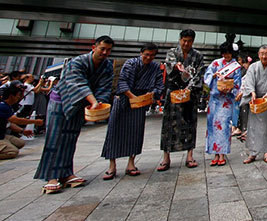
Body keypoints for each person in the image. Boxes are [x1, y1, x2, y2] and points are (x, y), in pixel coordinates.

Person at [34, 36, 114, 194]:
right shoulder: (77, 62)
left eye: (108, 50)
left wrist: (99, 103)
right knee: (55, 138)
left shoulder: (107, 67)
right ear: (94, 47)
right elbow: (77, 83)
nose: (105, 53)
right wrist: (93, 100)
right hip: (61, 102)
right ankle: (51, 176)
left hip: (81, 104)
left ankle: (65, 173)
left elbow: (105, 87)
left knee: (71, 138)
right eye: (102, 49)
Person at [101, 43, 164, 179]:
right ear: (141, 53)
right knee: (115, 131)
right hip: (124, 99)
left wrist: (151, 94)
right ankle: (112, 165)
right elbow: (122, 81)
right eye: (146, 54)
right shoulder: (131, 63)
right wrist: (132, 97)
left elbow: (159, 84)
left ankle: (131, 163)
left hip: (140, 101)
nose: (149, 58)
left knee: (135, 132)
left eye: (152, 55)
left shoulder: (155, 66)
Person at [158, 29, 205, 171]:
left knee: (190, 123)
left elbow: (199, 74)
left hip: (189, 94)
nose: (186, 43)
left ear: (193, 41)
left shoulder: (198, 56)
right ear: (180, 40)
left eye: (189, 41)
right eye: (184, 40)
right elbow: (170, 65)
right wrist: (176, 66)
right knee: (168, 124)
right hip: (173, 92)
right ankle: (166, 157)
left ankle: (190, 155)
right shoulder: (172, 52)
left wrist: (189, 89)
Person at [204, 41, 242, 166]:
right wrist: (214, 76)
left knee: (224, 125)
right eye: (224, 53)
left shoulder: (235, 66)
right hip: (215, 99)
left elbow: (237, 83)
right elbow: (207, 76)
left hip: (226, 99)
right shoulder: (215, 63)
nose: (226, 56)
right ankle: (214, 153)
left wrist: (231, 88)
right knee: (212, 126)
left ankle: (222, 154)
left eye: (229, 53)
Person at [241, 45, 267, 164]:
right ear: (258, 55)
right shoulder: (253, 67)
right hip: (255, 99)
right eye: (262, 53)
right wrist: (252, 93)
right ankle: (253, 152)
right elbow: (249, 81)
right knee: (253, 127)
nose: (264, 56)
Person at [1, 81, 44, 159]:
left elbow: (9, 124)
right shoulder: (2, 106)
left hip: (2, 135)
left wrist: (22, 131)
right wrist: (35, 121)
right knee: (13, 152)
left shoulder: (8, 107)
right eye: (18, 96)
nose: (19, 98)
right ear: (11, 96)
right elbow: (15, 120)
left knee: (20, 143)